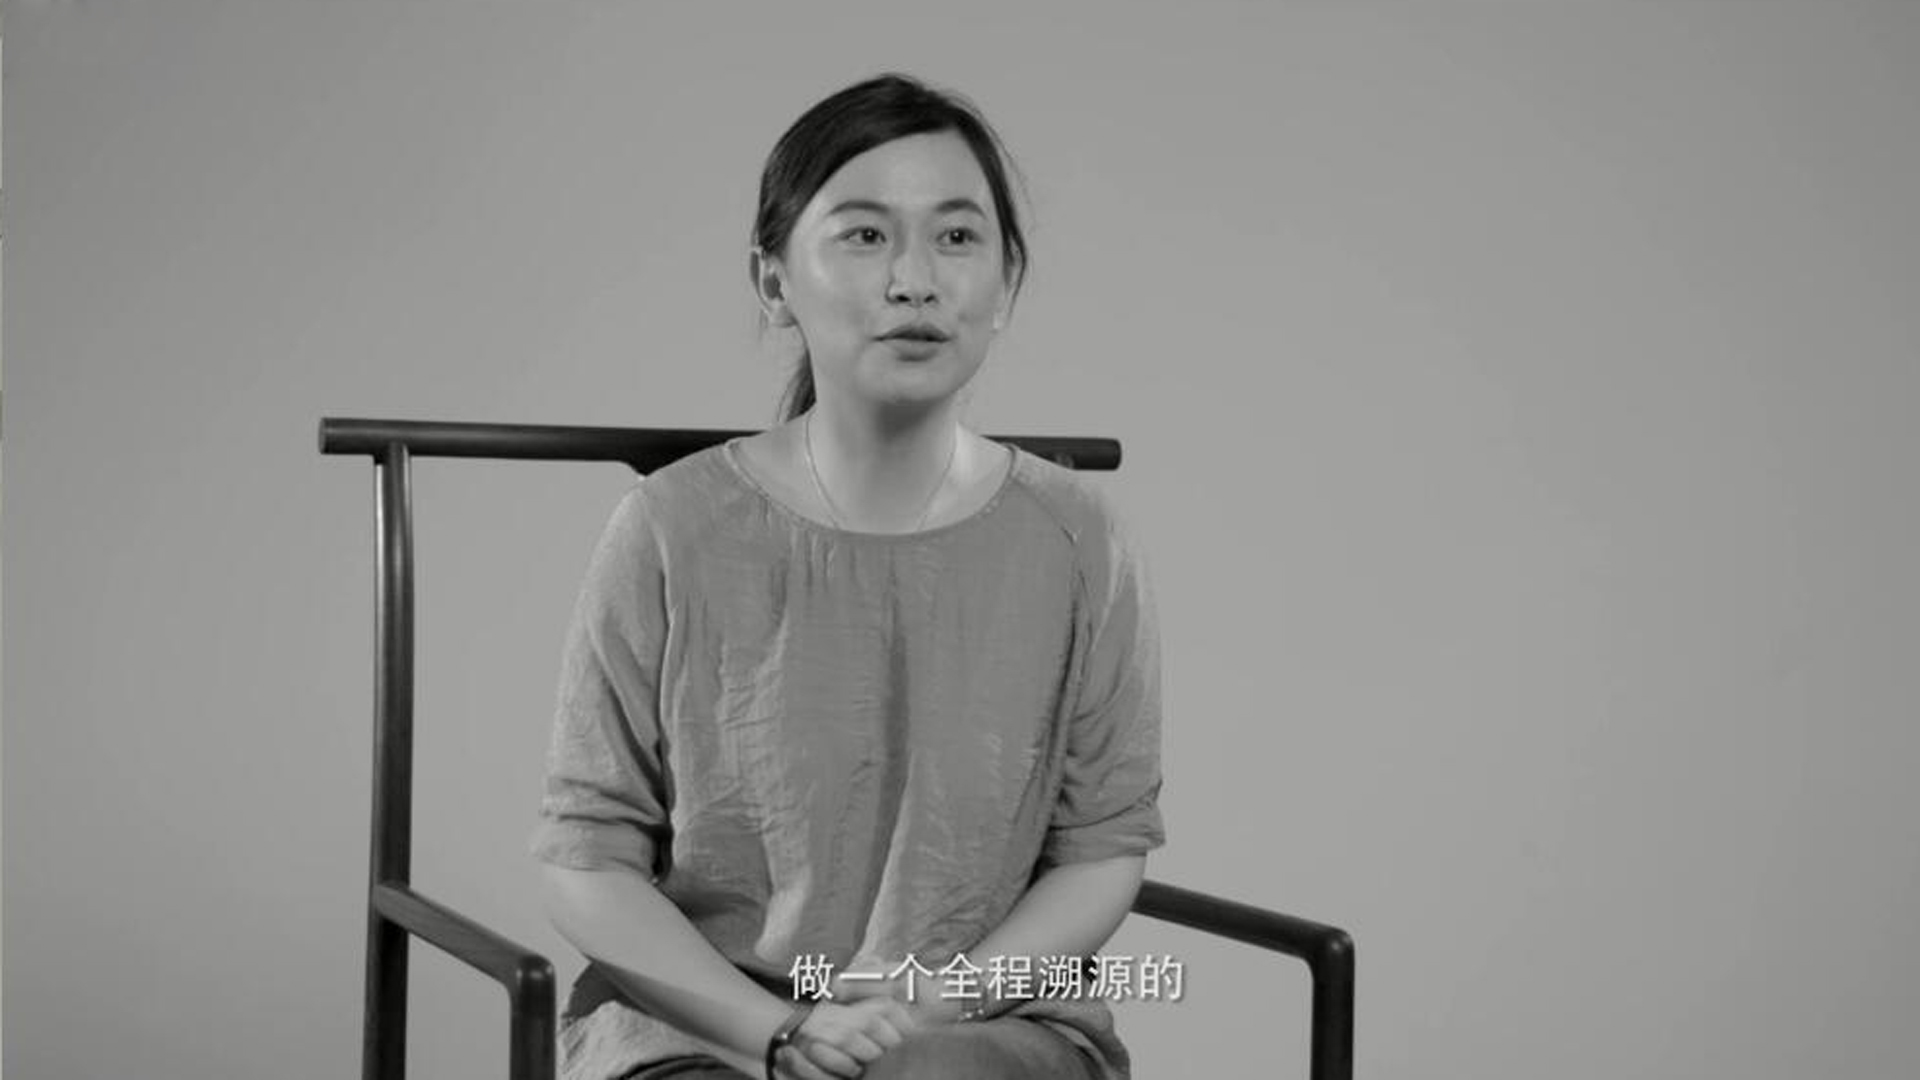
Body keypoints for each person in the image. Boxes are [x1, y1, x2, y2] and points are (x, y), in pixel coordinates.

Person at [531, 72, 1165, 1080]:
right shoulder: (670, 528)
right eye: (865, 235)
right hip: (705, 1028)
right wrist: (778, 1031)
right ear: (773, 281)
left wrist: (933, 1004)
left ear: (1006, 283)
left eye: (957, 237)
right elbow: (586, 859)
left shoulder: (1078, 539)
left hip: (980, 1023)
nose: (915, 280)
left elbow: (1102, 848)